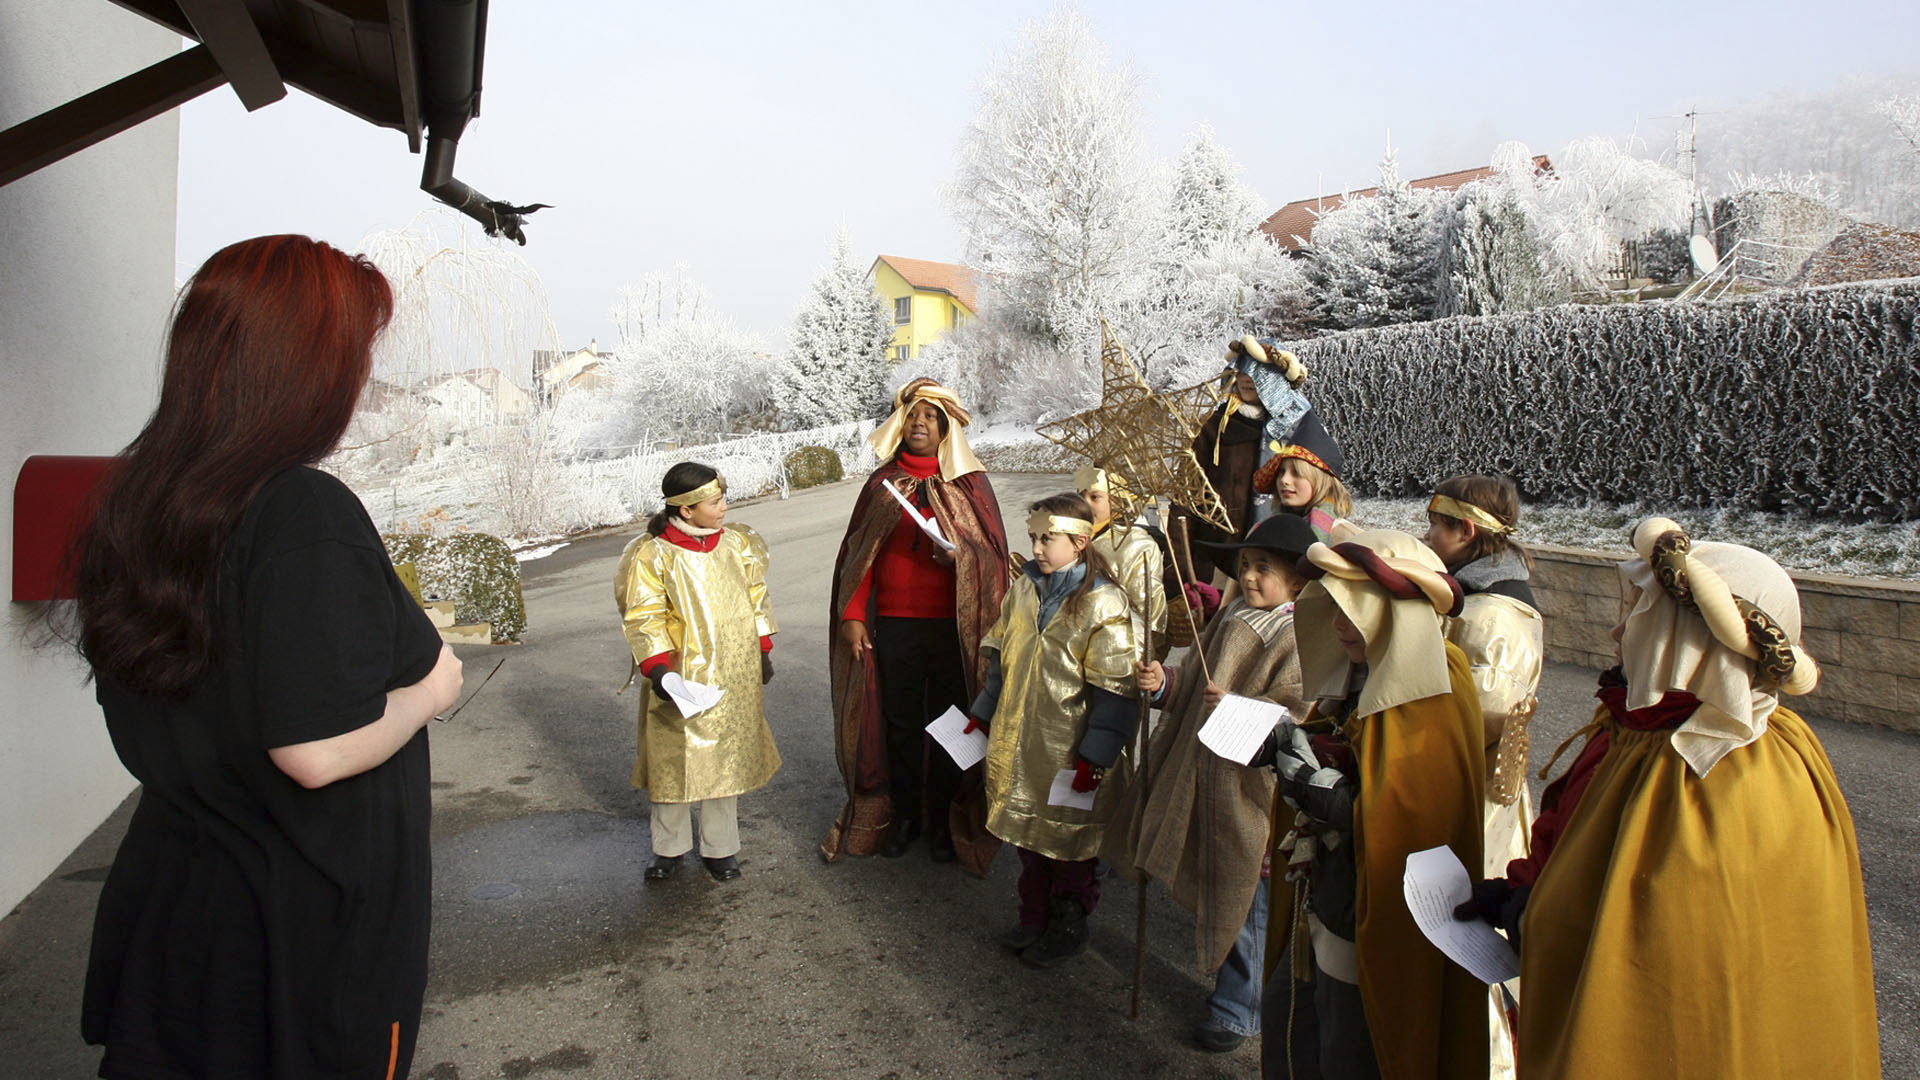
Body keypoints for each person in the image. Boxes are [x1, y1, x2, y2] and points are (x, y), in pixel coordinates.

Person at [72, 235, 458, 1078]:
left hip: (178, 915)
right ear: (304, 370)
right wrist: (433, 689)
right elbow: (315, 751)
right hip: (299, 951)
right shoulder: (299, 512)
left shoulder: (136, 505)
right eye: (352, 354)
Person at [1459, 517, 1881, 1079]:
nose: (1616, 634)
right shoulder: (1644, 734)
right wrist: (1521, 889)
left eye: (1635, 613)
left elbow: (1662, 960)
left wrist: (1532, 911)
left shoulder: (1708, 776)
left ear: (1684, 639)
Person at [1261, 530, 1486, 1080]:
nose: (1338, 624)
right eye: (1332, 608)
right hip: (1327, 895)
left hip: (1372, 916)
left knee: (1351, 1045)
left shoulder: (1437, 680)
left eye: (1353, 610)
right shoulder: (1360, 670)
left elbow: (1417, 817)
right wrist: (1296, 748)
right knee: (1298, 1025)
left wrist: (1330, 795)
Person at [1105, 514, 1317, 1053]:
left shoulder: (1300, 637)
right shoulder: (1232, 616)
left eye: (1263, 569)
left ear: (1298, 581)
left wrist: (1243, 709)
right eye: (1245, 566)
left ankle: (1239, 1007)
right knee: (1215, 877)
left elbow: (1298, 715)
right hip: (1199, 769)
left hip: (1251, 789)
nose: (1248, 577)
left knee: (1245, 894)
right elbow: (1197, 684)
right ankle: (1230, 991)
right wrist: (1164, 683)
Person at [822, 378, 1010, 868]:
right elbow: (859, 558)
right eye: (913, 416)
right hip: (896, 624)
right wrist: (853, 614)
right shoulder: (882, 485)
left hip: (952, 627)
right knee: (901, 721)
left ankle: (950, 816)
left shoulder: (969, 484)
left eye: (931, 417)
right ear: (899, 424)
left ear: (946, 427)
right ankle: (905, 815)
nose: (920, 424)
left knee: (956, 723)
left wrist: (960, 561)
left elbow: (991, 561)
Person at [971, 494, 1138, 968]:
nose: (1038, 548)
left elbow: (1116, 689)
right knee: (1028, 834)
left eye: (1048, 539)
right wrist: (983, 712)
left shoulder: (1103, 601)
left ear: (1080, 542)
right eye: (1034, 538)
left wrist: (1096, 756)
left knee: (1069, 845)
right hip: (1023, 741)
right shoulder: (1024, 589)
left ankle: (1068, 923)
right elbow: (1002, 656)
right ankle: (1033, 913)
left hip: (1070, 750)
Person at [1422, 476, 1541, 1080]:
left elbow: (1480, 712)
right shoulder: (1469, 597)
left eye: (1437, 526)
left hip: (1478, 794)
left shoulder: (1498, 616)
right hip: (1454, 780)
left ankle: (1488, 1063)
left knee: (1470, 940)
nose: (1427, 535)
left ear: (1466, 532)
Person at [615, 462, 780, 883]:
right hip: (679, 674)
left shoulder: (737, 545)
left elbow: (756, 597)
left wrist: (762, 648)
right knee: (674, 756)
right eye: (715, 501)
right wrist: (659, 672)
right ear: (687, 510)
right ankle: (668, 848)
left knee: (725, 756)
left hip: (734, 669)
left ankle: (720, 847)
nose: (725, 507)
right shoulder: (654, 555)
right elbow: (644, 616)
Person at [1185, 336, 1314, 582]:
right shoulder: (1216, 428)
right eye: (1241, 371)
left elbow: (1318, 492)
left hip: (1280, 565)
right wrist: (1184, 573)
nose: (1246, 379)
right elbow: (1188, 497)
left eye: (1257, 373)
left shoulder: (1297, 429)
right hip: (1218, 561)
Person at [1076, 465, 1168, 657]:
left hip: (1116, 650)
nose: (1085, 504)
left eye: (1095, 497)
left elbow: (1147, 611)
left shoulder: (1137, 545)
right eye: (1080, 495)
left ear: (1117, 501)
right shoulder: (1074, 538)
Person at [1251, 410, 1353, 544]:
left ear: (1324, 482)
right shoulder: (1261, 531)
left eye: (1297, 473)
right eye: (1281, 472)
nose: (1284, 480)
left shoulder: (1344, 539)